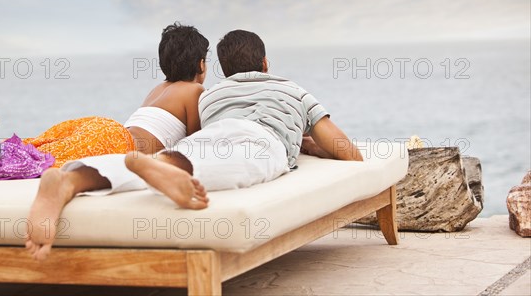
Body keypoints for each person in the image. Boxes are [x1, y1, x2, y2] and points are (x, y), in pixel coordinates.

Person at [25, 29, 363, 260]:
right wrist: (310, 145)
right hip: (263, 140)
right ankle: (160, 168)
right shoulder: (293, 90)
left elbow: (199, 131)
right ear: (265, 64)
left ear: (224, 70)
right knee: (238, 166)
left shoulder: (213, 95)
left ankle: (72, 179)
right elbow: (344, 149)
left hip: (208, 136)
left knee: (179, 156)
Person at [0, 23, 209, 180]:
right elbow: (196, 145)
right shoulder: (193, 92)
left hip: (102, 129)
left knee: (16, 159)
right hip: (113, 142)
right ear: (200, 64)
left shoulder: (159, 88)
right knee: (15, 159)